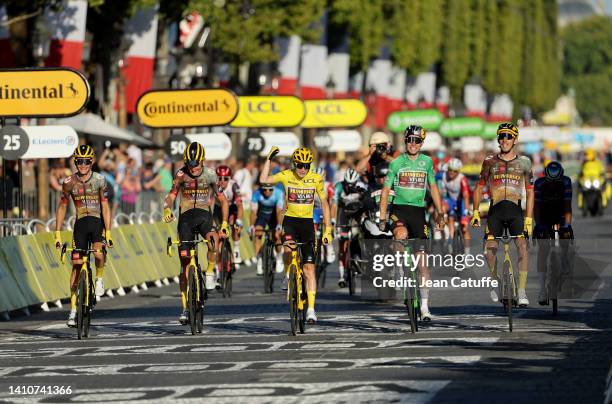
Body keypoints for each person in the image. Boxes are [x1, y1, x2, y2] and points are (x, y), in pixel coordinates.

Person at [379, 125, 445, 321]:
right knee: (400, 235)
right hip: (399, 210)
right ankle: (399, 270)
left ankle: (424, 306)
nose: (413, 144)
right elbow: (385, 190)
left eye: (417, 141)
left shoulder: (427, 162)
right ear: (405, 141)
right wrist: (382, 217)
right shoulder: (397, 163)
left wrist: (440, 213)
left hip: (418, 212)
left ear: (422, 143)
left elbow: (433, 187)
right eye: (410, 140)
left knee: (423, 264)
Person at [260, 146, 333, 324]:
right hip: (290, 222)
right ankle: (287, 274)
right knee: (287, 249)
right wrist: (268, 160)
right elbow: (263, 180)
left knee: (309, 269)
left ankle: (311, 309)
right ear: (294, 164)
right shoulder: (286, 175)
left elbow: (324, 203)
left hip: (307, 224)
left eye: (306, 166)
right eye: (300, 165)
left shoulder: (316, 178)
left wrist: (328, 229)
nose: (303, 169)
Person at [162, 142, 230, 325]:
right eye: (190, 163)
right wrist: (166, 208)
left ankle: (209, 272)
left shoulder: (210, 175)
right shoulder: (181, 174)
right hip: (185, 218)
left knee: (213, 241)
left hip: (203, 216)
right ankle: (185, 307)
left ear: (202, 160)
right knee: (184, 265)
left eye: (197, 163)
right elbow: (171, 195)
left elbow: (222, 200)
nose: (193, 167)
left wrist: (224, 224)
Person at [471, 122, 534, 306]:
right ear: (498, 139)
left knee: (522, 246)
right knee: (489, 250)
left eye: (508, 136)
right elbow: (479, 187)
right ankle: (495, 279)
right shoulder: (489, 161)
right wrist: (475, 211)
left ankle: (521, 291)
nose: (505, 140)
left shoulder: (524, 162)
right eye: (502, 136)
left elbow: (530, 192)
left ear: (515, 139)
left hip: (515, 211)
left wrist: (529, 219)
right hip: (495, 211)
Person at [54, 145, 114, 328]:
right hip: (80, 224)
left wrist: (108, 232)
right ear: (75, 162)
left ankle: (100, 278)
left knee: (97, 254)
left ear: (92, 162)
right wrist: (57, 234)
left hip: (96, 223)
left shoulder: (100, 180)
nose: (83, 165)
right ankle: (73, 310)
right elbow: (63, 206)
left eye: (86, 161)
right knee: (77, 264)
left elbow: (105, 206)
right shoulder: (69, 182)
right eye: (79, 161)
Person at [533, 161, 573, 304]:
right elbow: (536, 207)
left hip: (561, 214)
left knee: (565, 235)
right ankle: (542, 290)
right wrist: (538, 225)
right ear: (546, 178)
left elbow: (568, 207)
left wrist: (567, 226)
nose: (553, 185)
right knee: (543, 249)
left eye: (557, 183)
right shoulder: (539, 183)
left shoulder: (567, 182)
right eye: (551, 183)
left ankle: (564, 256)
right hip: (544, 215)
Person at [332, 168, 369, 288]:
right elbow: (334, 205)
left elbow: (368, 203)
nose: (349, 186)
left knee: (361, 235)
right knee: (343, 244)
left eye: (351, 184)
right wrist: (333, 220)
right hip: (344, 214)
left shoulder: (361, 185)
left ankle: (362, 258)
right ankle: (342, 275)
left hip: (357, 213)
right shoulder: (338, 187)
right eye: (347, 184)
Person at [214, 165, 244, 274]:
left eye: (225, 178)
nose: (222, 181)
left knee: (235, 226)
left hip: (232, 209)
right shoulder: (214, 186)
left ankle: (236, 249)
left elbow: (240, 205)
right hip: (218, 210)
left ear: (229, 179)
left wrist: (239, 221)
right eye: (219, 178)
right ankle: (218, 269)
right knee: (217, 237)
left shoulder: (234, 186)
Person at [250, 182, 284, 275]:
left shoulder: (279, 193)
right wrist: (251, 226)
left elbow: (279, 211)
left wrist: (279, 225)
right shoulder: (257, 193)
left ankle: (279, 257)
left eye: (270, 189)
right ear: (261, 189)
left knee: (277, 236)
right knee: (257, 233)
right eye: (265, 189)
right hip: (262, 215)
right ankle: (259, 259)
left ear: (274, 188)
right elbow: (253, 212)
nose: (267, 192)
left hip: (274, 215)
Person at [439, 158, 472, 255]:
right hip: (450, 200)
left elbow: (466, 196)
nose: (451, 173)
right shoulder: (443, 176)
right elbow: (440, 192)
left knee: (464, 228)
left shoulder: (462, 179)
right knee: (447, 214)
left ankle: (467, 253)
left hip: (461, 201)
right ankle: (448, 236)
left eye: (455, 171)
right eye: (450, 169)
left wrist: (466, 211)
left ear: (459, 171)